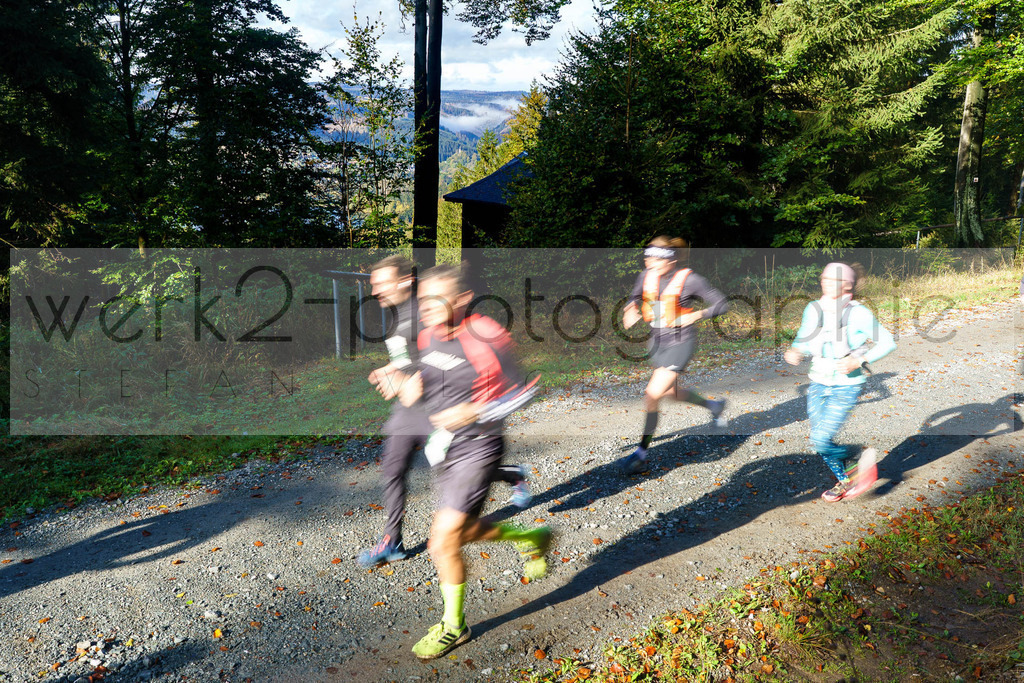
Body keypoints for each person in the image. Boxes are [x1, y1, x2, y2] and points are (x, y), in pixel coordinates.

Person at [395, 263, 551, 661]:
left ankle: (454, 626)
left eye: (436, 298)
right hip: (443, 446)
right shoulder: (429, 333)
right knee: (458, 532)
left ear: (462, 300)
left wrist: (473, 411)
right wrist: (408, 382)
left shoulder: (487, 334)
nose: (425, 307)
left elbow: (526, 391)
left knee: (441, 540)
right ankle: (528, 537)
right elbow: (433, 376)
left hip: (480, 446)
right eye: (422, 298)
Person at [357, 256, 531, 569]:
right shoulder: (414, 324)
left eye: (382, 283)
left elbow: (517, 386)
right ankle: (393, 540)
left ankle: (510, 483)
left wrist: (474, 408)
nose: (376, 290)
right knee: (400, 474)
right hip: (426, 422)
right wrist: (400, 375)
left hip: (460, 425)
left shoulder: (456, 323)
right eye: (374, 284)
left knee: (449, 521)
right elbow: (423, 363)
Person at [783, 262, 896, 502]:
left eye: (831, 279)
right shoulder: (813, 308)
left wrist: (859, 361)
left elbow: (887, 342)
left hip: (846, 385)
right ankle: (847, 478)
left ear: (846, 284)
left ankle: (856, 458)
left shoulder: (859, 313)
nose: (824, 282)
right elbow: (804, 337)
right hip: (817, 382)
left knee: (821, 439)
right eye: (823, 277)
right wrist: (795, 350)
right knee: (820, 439)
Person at [619, 236, 730, 474]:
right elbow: (634, 297)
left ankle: (641, 454)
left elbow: (722, 304)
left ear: (670, 260)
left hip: (681, 343)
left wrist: (696, 315)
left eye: (656, 258)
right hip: (657, 343)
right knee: (672, 393)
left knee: (652, 394)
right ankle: (714, 406)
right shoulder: (645, 276)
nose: (650, 262)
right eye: (648, 257)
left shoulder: (690, 280)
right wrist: (630, 309)